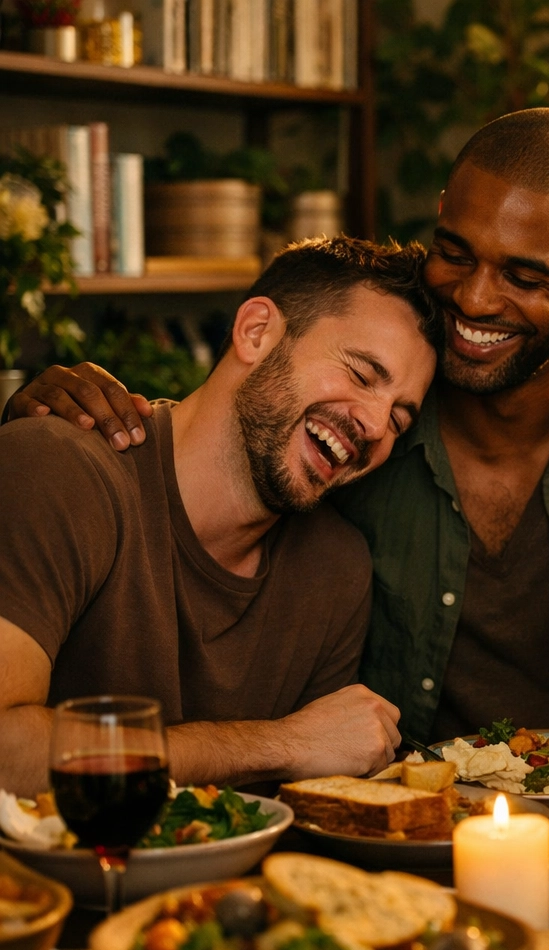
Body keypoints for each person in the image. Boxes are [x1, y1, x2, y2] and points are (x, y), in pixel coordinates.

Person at [7, 109, 549, 744]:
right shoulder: (366, 409)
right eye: (457, 251)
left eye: (526, 276)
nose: (473, 299)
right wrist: (51, 412)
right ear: (439, 218)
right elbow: (236, 418)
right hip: (392, 841)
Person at [0, 237, 439, 794]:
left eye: (400, 420)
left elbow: (313, 812)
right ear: (257, 332)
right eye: (360, 373)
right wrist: (279, 743)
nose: (375, 426)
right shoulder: (59, 468)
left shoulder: (337, 569)